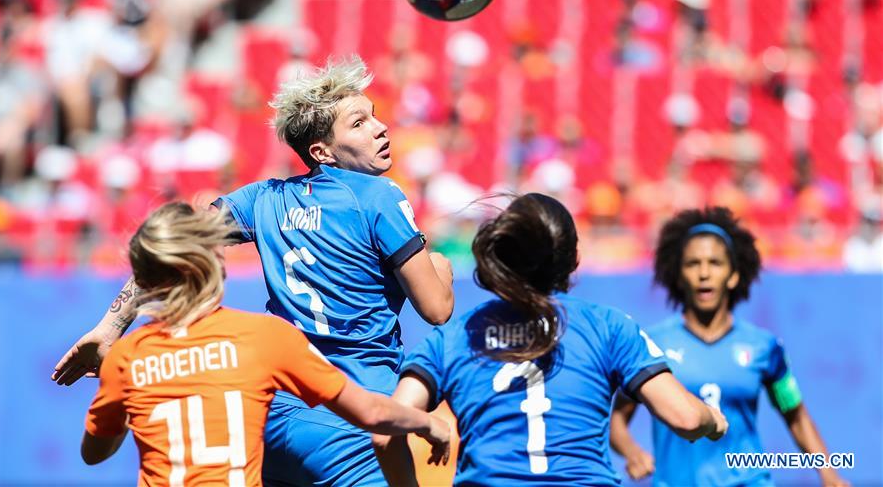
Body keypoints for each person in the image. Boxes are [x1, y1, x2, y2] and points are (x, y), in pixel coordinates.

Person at [55, 56, 455, 486]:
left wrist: (112, 326)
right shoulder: (379, 195)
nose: (380, 128)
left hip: (274, 416)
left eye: (375, 117)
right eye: (358, 123)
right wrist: (440, 265)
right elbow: (436, 309)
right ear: (321, 152)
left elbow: (174, 243)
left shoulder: (262, 198)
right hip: (355, 415)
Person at [82, 202, 451, 485]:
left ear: (146, 278)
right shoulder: (265, 338)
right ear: (215, 261)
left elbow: (94, 453)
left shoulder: (128, 359)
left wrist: (131, 398)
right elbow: (370, 413)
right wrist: (427, 424)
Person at [373, 193, 728, 485]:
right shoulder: (609, 327)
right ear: (574, 258)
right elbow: (684, 418)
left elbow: (386, 433)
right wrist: (712, 419)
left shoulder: (454, 337)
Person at [610, 207, 848, 486]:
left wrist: (829, 474)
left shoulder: (764, 348)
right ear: (678, 275)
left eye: (715, 263)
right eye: (692, 263)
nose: (704, 273)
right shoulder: (652, 345)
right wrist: (632, 452)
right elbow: (617, 421)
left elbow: (795, 415)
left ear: (733, 275)